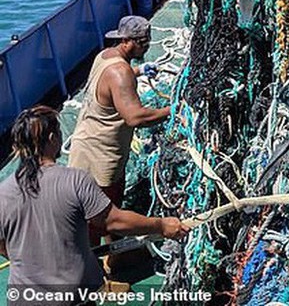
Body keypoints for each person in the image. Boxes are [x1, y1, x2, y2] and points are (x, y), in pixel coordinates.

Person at [0, 106, 188, 303]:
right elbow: (114, 222)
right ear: (52, 138)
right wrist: (162, 225)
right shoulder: (74, 180)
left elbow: (3, 245)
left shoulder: (3, 193)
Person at [69, 15, 170, 212]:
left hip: (84, 145)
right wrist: (172, 110)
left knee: (98, 212)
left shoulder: (105, 56)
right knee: (103, 215)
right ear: (125, 40)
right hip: (102, 157)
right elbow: (135, 117)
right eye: (141, 42)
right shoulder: (120, 72)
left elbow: (111, 83)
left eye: (147, 41)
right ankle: (105, 243)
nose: (146, 47)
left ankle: (107, 240)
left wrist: (139, 70)